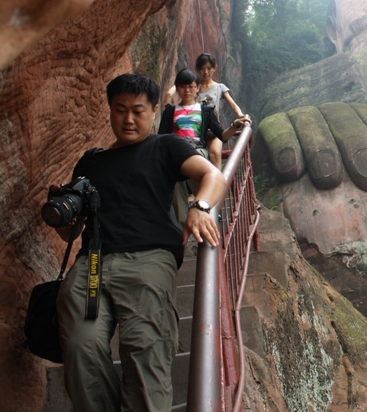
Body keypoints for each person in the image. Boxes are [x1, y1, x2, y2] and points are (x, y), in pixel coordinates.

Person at [53, 73, 226, 412]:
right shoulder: (91, 160)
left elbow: (213, 175)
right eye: (119, 110)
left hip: (148, 261)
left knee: (146, 350)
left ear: (155, 110)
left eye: (137, 110)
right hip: (92, 266)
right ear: (110, 110)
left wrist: (200, 206)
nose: (128, 119)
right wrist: (65, 219)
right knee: (79, 348)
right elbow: (71, 233)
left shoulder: (165, 145)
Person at [158, 68, 250, 224]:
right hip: (176, 153)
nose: (187, 90)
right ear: (177, 88)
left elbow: (222, 135)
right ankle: (183, 228)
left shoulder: (205, 111)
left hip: (197, 151)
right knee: (176, 182)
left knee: (201, 177)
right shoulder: (170, 111)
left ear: (197, 88)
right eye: (182, 86)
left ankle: (208, 211)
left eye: (191, 86)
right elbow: (162, 138)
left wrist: (235, 125)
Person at [194, 53, 249, 167]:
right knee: (197, 159)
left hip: (213, 131)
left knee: (214, 154)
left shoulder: (220, 87)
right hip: (196, 131)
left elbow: (233, 104)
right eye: (202, 68)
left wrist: (241, 115)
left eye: (209, 68)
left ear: (214, 68)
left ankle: (219, 184)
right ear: (197, 70)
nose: (206, 72)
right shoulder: (193, 88)